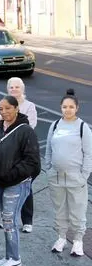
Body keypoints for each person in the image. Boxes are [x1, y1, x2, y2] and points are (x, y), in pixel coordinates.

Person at [0, 97, 41, 266]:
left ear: (16, 108)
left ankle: (15, 260)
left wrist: (12, 175)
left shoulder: (26, 131)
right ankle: (9, 256)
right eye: (1, 108)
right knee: (7, 219)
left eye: (8, 108)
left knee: (9, 220)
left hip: (17, 184)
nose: (4, 112)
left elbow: (32, 162)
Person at [44, 90, 92, 257]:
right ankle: (61, 238)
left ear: (77, 108)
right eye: (65, 107)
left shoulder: (82, 127)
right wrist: (49, 168)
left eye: (71, 107)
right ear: (61, 108)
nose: (68, 109)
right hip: (56, 176)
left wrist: (83, 175)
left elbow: (88, 154)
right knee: (59, 210)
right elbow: (48, 149)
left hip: (75, 177)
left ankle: (78, 241)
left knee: (77, 210)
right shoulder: (55, 125)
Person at [0, 77, 39, 231]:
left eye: (17, 87)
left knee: (25, 187)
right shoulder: (1, 106)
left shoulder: (29, 106)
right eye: (11, 87)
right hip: (5, 156)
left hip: (22, 154)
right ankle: (6, 217)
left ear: (22, 89)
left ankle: (27, 221)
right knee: (5, 187)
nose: (14, 89)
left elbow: (29, 126)